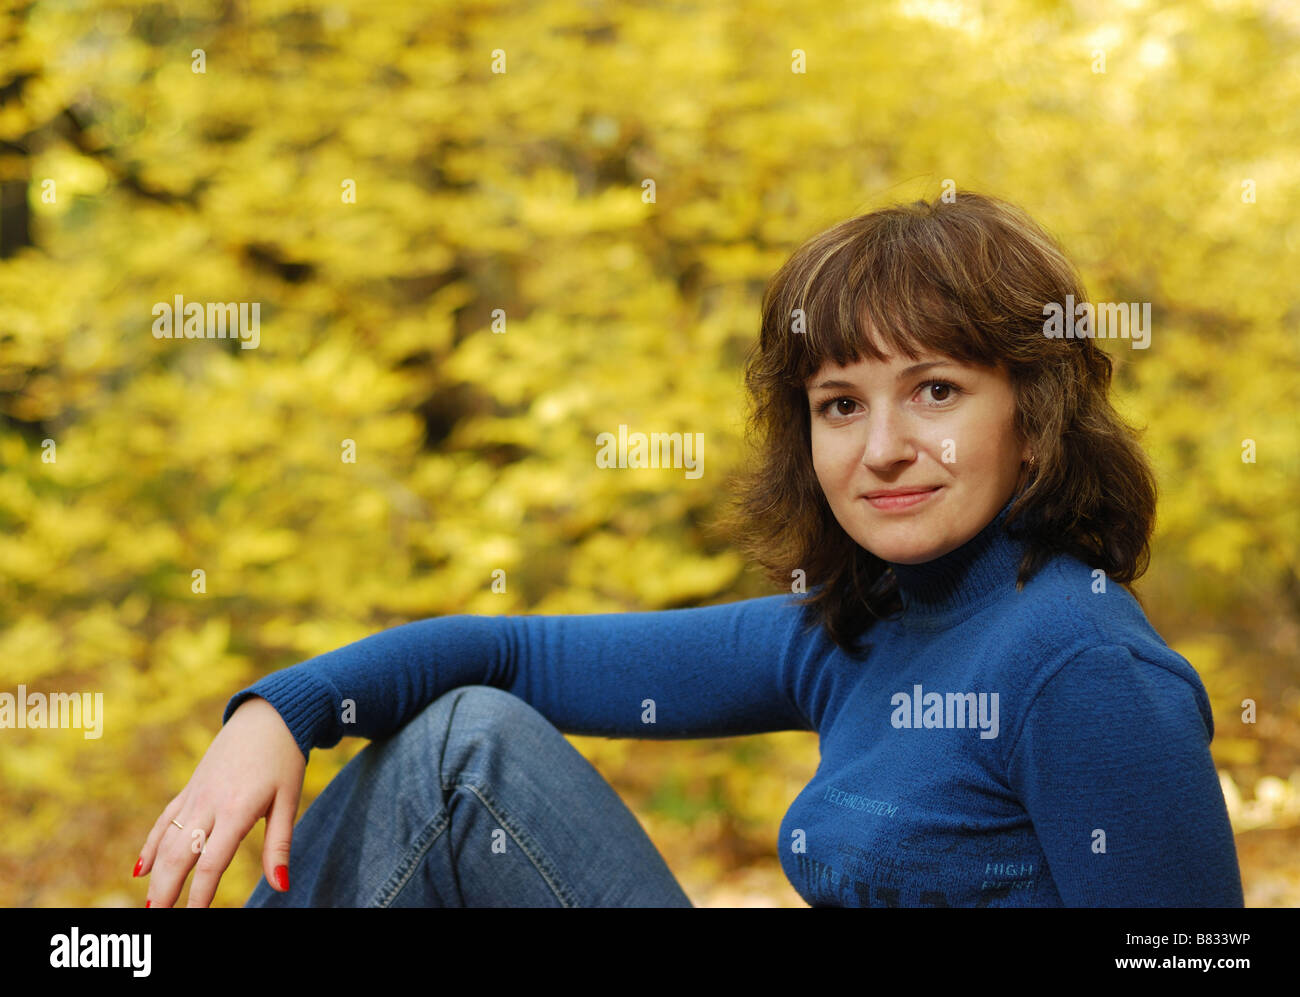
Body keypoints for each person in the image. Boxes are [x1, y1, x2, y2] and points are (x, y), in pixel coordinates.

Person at [134, 191, 1244, 907]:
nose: (886, 448)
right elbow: (509, 655)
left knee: (460, 755)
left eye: (937, 391)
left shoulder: (1078, 665)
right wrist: (280, 712)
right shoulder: (859, 630)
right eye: (840, 404)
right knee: (463, 742)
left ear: (1032, 409)